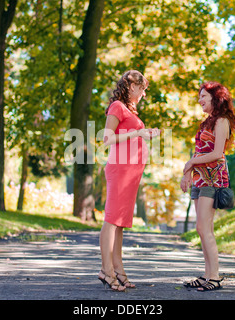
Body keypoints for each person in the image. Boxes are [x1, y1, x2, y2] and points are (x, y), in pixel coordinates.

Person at [98, 70, 160, 292]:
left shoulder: (130, 110)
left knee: (121, 223)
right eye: (142, 89)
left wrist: (145, 133)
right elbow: (107, 138)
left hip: (131, 173)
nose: (144, 94)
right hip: (119, 170)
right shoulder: (117, 106)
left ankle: (119, 270)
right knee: (112, 220)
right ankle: (106, 271)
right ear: (132, 86)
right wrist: (137, 135)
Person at [180, 81, 235, 291]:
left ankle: (215, 277)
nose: (199, 100)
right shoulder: (206, 122)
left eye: (203, 96)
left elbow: (216, 154)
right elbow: (198, 152)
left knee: (204, 228)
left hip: (213, 178)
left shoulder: (222, 121)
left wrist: (190, 164)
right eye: (199, 96)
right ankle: (207, 275)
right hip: (200, 179)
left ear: (216, 97)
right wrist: (187, 173)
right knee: (203, 229)